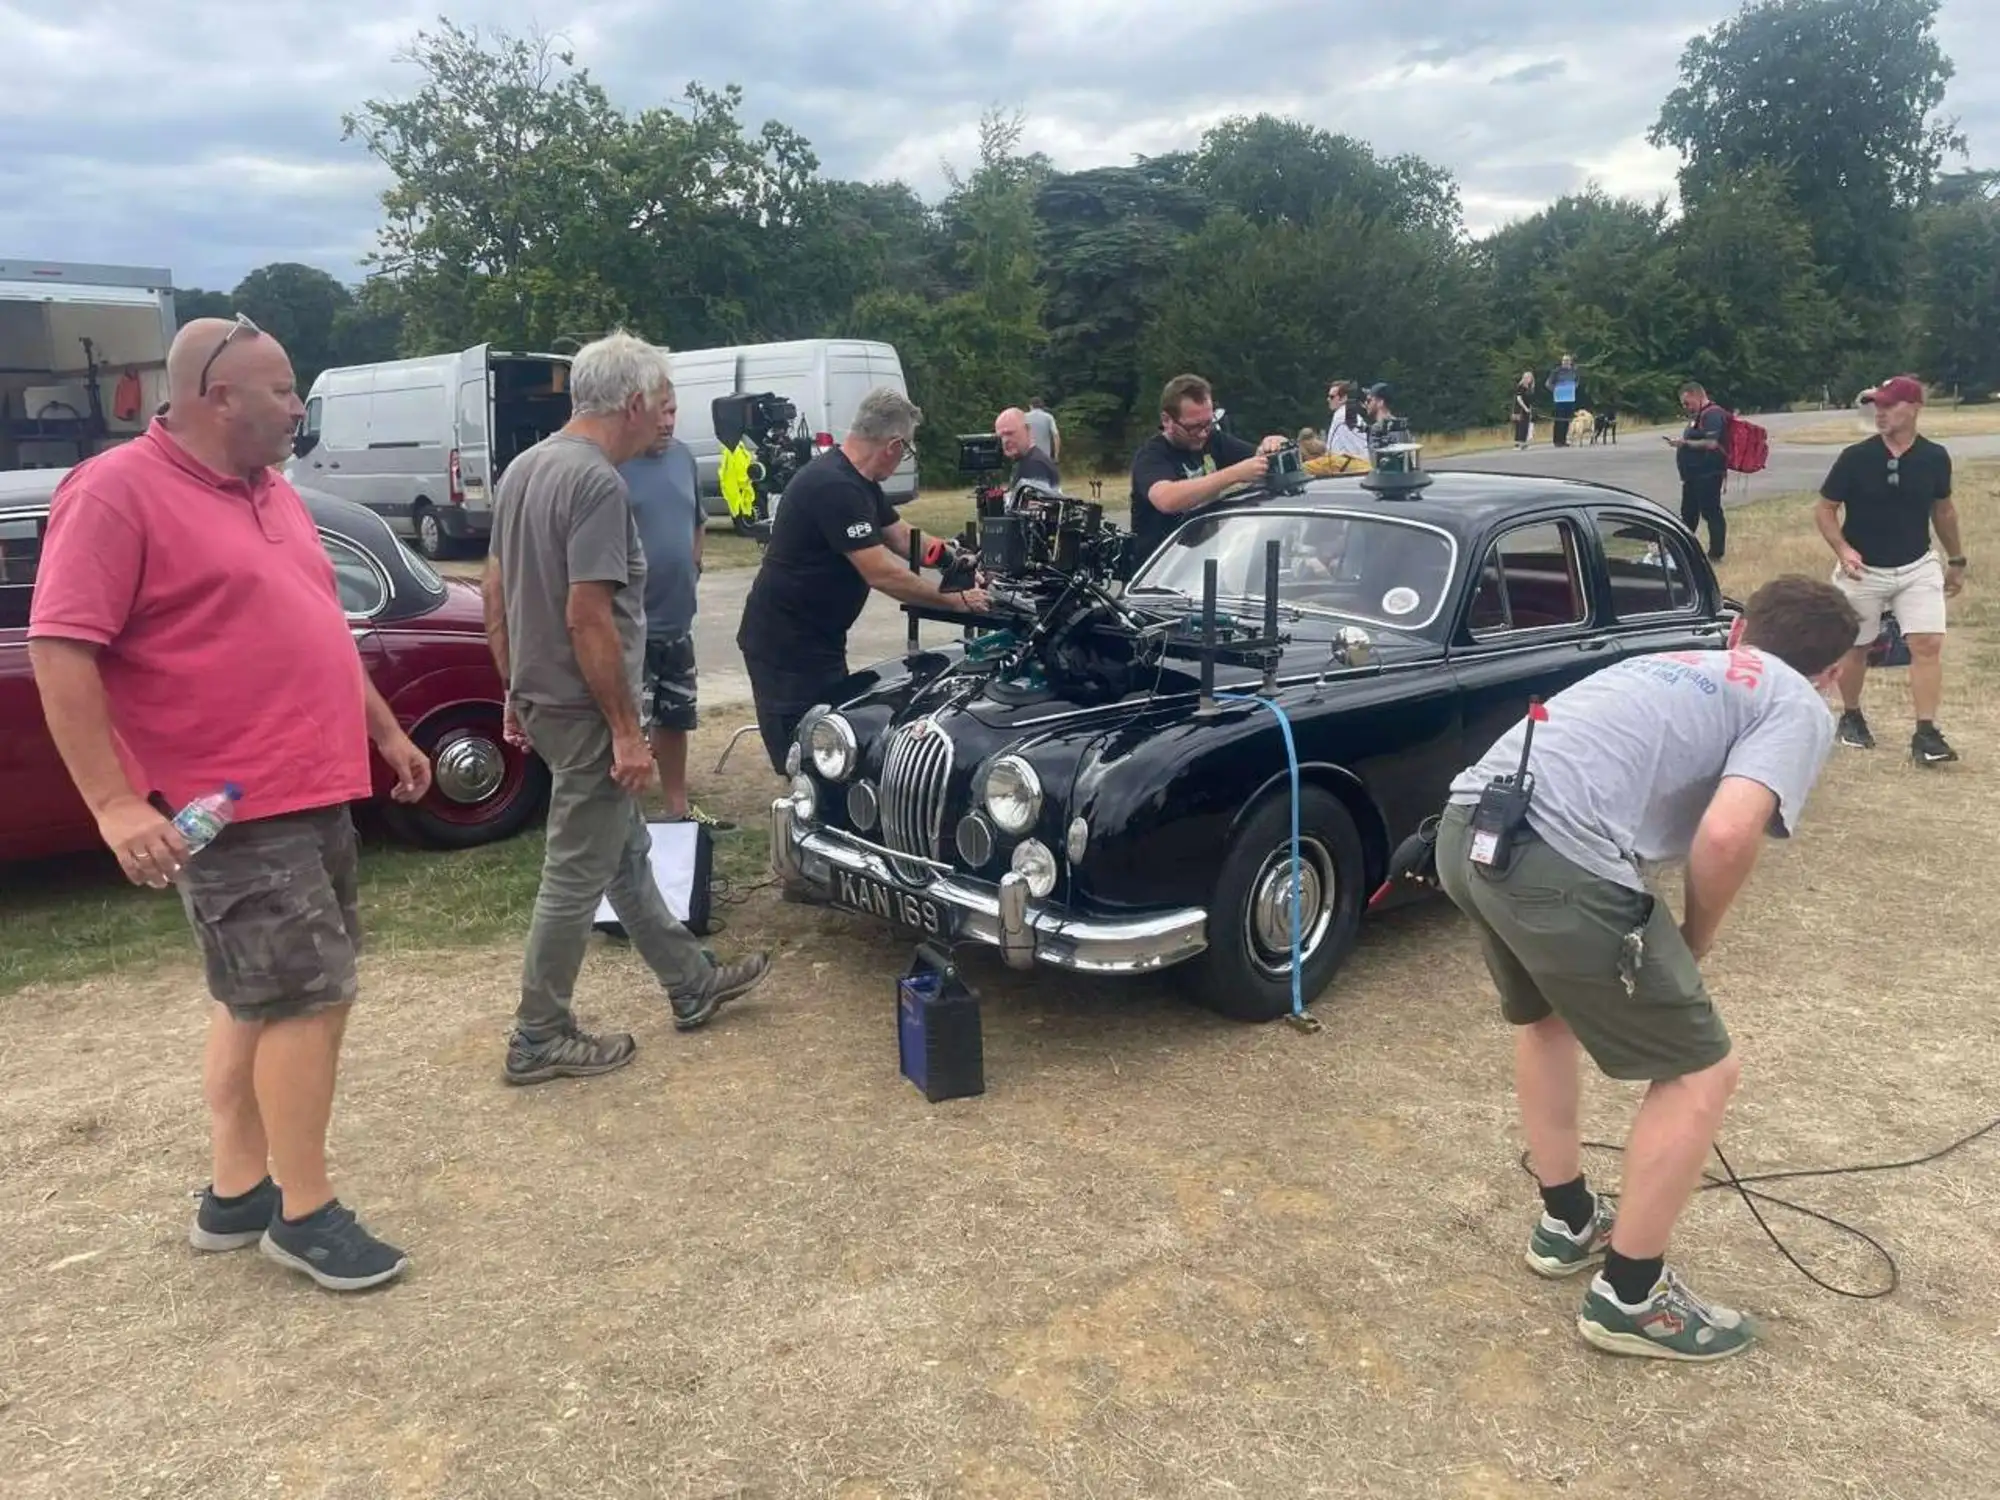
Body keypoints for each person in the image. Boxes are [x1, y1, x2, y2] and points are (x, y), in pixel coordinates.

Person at [27, 315, 434, 1292]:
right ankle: (305, 1214)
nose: (298, 406)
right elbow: (59, 645)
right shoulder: (118, 492)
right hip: (231, 804)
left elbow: (320, 629)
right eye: (284, 389)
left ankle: (236, 1190)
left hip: (316, 784)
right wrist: (115, 803)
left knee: (256, 998)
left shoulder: (271, 492)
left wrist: (383, 730)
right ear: (219, 398)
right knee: (305, 997)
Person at [1435, 575, 1861, 1363]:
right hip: (1550, 855)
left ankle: (1568, 1221)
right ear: (1832, 673)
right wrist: (1694, 942)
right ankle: (1632, 1295)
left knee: (1547, 1017)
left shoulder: (1686, 658)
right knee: (1703, 1072)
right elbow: (1729, 836)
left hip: (1469, 825)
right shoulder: (1798, 702)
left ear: (1740, 630)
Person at [483, 330, 772, 1087]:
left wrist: (513, 687)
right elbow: (588, 617)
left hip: (546, 698)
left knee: (626, 856)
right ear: (636, 402)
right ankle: (539, 1032)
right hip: (583, 709)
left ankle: (690, 982)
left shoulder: (525, 467)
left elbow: (497, 591)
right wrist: (625, 732)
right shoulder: (596, 484)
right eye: (662, 404)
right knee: (577, 870)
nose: (665, 422)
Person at [736, 387, 991, 777]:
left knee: (829, 732)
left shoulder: (860, 484)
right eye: (907, 451)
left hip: (818, 638)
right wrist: (957, 601)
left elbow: (905, 538)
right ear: (894, 445)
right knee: (806, 754)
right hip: (785, 644)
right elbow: (881, 572)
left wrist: (957, 560)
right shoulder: (833, 486)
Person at [1815, 374, 1968, 764]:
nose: (1879, 413)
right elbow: (1825, 508)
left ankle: (1927, 734)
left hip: (1917, 564)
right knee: (1858, 645)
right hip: (1862, 569)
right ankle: (1851, 717)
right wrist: (1843, 548)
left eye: (1888, 405)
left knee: (1927, 644)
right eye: (1876, 406)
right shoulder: (1855, 457)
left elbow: (1943, 510)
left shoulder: (1934, 457)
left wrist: (1956, 560)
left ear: (1914, 407)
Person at [617, 376, 731, 829]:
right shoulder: (615, 464)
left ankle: (678, 809)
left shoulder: (683, 457)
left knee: (675, 716)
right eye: (659, 412)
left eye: (673, 411)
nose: (667, 423)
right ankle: (625, 820)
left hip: (677, 622)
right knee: (631, 726)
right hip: (631, 628)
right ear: (634, 411)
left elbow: (697, 519)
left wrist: (694, 565)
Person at [1128, 374, 1287, 559]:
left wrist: (1273, 444)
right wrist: (1234, 474)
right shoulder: (1152, 455)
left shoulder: (1214, 440)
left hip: (1203, 563)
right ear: (1167, 420)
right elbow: (1167, 499)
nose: (1203, 433)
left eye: (1209, 423)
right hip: (1158, 571)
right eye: (1193, 427)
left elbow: (1259, 457)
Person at [1670, 381, 1729, 561]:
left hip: (1708, 473)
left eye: (1688, 403)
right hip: (1692, 475)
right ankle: (1684, 552)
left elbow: (1712, 443)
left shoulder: (1713, 414)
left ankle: (1716, 553)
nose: (1686, 407)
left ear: (1697, 395)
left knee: (1711, 512)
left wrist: (1685, 443)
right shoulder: (1699, 415)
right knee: (1688, 514)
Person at [995, 406, 1060, 488]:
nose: (1005, 440)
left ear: (1027, 429)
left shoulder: (1035, 465)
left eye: (1010, 433)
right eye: (1001, 436)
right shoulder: (1025, 460)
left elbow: (1034, 500)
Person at [1324, 380, 1371, 462]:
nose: (1328, 399)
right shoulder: (1347, 414)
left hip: (1347, 469)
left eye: (1332, 397)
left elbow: (1355, 447)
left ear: (1343, 398)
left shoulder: (1342, 416)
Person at [1547, 354, 1581, 447]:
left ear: (1570, 361)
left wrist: (1574, 387)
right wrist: (1555, 390)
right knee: (1559, 420)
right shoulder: (1556, 371)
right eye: (1564, 361)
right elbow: (1548, 383)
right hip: (1559, 400)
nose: (1566, 362)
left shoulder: (1574, 371)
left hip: (1570, 399)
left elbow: (1577, 381)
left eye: (1567, 361)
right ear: (1561, 362)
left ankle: (1563, 440)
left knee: (1566, 420)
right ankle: (1557, 441)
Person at [1024, 397, 1060, 466]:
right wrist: (1056, 456)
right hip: (1044, 456)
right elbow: (1056, 435)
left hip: (1028, 455)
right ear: (1042, 406)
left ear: (1030, 406)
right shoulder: (1048, 417)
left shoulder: (1024, 417)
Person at [1511, 371, 1535, 449]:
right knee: (1521, 426)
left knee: (1525, 426)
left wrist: (1530, 409)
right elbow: (1519, 399)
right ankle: (1519, 444)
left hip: (1527, 408)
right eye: (1526, 377)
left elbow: (1529, 400)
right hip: (1520, 409)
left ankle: (1523, 443)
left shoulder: (1530, 388)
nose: (1528, 379)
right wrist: (1525, 408)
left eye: (1530, 378)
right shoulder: (1520, 386)